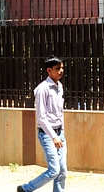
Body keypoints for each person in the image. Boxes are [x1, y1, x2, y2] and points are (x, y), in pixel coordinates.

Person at [18, 55, 67, 192]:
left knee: (62, 171)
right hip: (47, 135)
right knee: (54, 170)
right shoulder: (42, 89)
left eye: (62, 68)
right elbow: (41, 116)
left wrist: (61, 132)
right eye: (58, 68)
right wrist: (54, 136)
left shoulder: (59, 86)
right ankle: (26, 189)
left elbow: (60, 110)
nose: (61, 71)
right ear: (49, 70)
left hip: (59, 132)